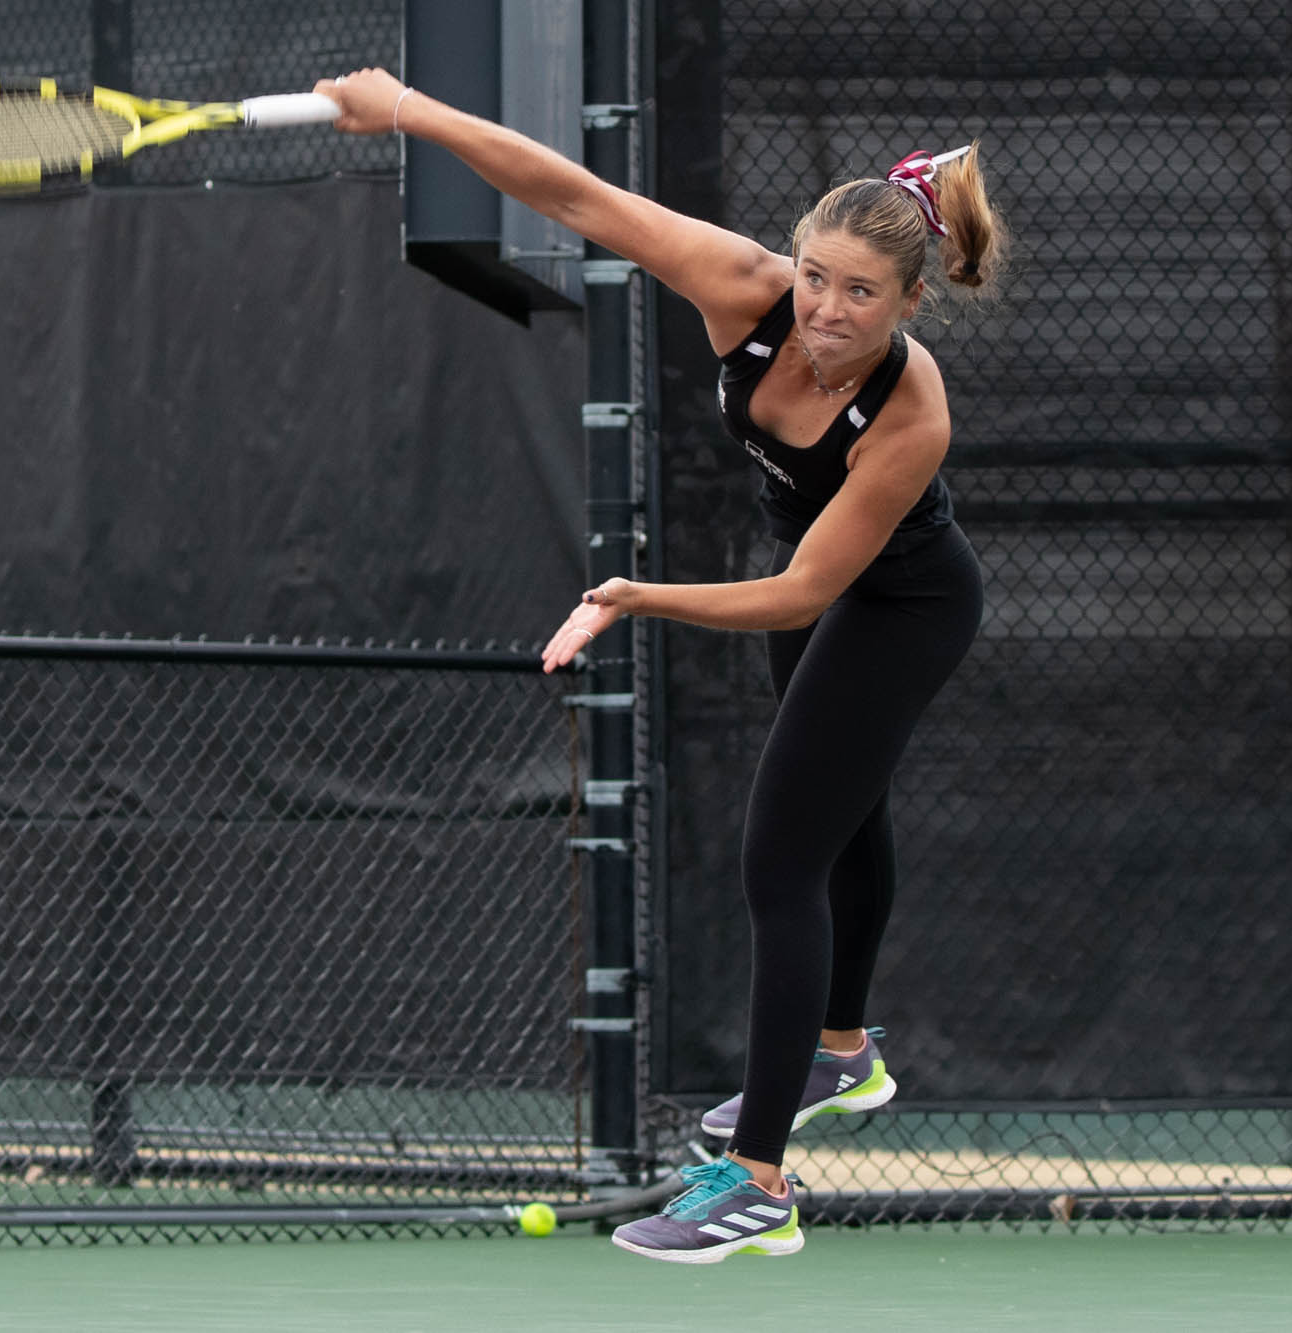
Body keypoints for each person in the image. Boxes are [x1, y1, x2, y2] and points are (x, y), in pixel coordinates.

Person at [317, 68, 1004, 1264]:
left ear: (908, 301)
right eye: (815, 277)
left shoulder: (911, 411)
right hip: (817, 575)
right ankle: (842, 1053)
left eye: (859, 294)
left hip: (900, 601)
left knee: (779, 856)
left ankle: (758, 1185)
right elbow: (572, 194)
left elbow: (799, 593)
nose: (827, 309)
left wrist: (633, 594)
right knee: (837, 817)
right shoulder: (739, 287)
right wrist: (415, 112)